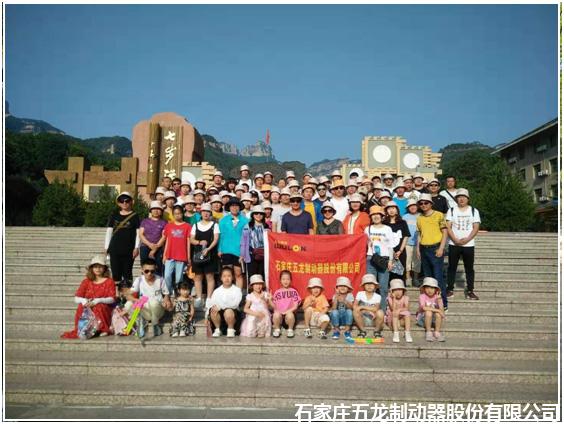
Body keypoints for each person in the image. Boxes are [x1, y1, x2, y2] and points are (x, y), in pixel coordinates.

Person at [61, 255, 116, 339]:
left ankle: (102, 329)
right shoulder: (86, 281)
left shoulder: (109, 281)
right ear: (92, 268)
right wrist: (85, 301)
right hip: (88, 303)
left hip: (104, 306)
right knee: (81, 306)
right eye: (95, 267)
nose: (98, 269)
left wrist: (97, 300)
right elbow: (76, 298)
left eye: (100, 267)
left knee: (99, 306)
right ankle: (85, 328)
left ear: (104, 268)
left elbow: (112, 299)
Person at [445, 188, 481, 300]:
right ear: (456, 199)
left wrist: (467, 239)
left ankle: (470, 290)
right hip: (453, 243)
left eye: (464, 197)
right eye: (459, 197)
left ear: (468, 199)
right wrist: (455, 239)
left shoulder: (474, 211)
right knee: (451, 267)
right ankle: (450, 289)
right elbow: (448, 226)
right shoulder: (451, 210)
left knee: (469, 268)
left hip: (469, 244)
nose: (461, 199)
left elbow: (476, 227)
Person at [416, 193, 448, 310]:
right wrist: (418, 249)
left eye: (426, 203)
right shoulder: (419, 218)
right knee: (428, 278)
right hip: (424, 248)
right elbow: (419, 234)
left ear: (431, 204)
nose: (423, 205)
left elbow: (445, 232)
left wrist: (441, 248)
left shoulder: (439, 215)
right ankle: (430, 303)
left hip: (435, 248)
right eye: (421, 203)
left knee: (438, 277)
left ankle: (443, 303)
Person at [124, 259, 172, 338]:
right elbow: (128, 295)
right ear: (142, 270)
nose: (149, 273)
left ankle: (155, 325)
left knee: (153, 303)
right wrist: (137, 300)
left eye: (152, 271)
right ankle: (140, 322)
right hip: (145, 310)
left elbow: (166, 295)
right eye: (146, 271)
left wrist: (167, 301)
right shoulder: (139, 280)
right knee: (128, 304)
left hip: (157, 311)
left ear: (155, 269)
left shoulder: (160, 280)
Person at [104, 191, 140, 285]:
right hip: (115, 248)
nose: (124, 203)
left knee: (127, 273)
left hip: (129, 249)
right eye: (122, 201)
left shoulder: (135, 216)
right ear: (118, 203)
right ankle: (117, 292)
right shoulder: (114, 215)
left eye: (127, 200)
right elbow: (109, 231)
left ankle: (127, 292)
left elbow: (138, 233)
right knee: (116, 273)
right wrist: (106, 247)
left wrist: (137, 247)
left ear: (131, 202)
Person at [190, 203, 220, 309]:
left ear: (210, 213)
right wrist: (199, 242)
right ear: (201, 213)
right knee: (198, 276)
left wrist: (208, 249)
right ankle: (199, 297)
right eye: (204, 212)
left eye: (208, 212)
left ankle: (209, 298)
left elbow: (216, 239)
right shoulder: (195, 225)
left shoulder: (214, 225)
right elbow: (191, 239)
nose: (206, 213)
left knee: (209, 276)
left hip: (210, 254)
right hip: (197, 254)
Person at [365, 205, 395, 311]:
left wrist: (390, 261)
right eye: (373, 215)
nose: (375, 216)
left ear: (382, 216)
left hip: (384, 259)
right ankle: (370, 310)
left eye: (378, 214)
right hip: (370, 258)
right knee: (370, 285)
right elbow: (365, 243)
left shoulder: (387, 229)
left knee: (383, 286)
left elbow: (391, 246)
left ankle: (382, 311)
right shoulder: (367, 229)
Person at [218, 198, 249, 289]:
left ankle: (238, 294)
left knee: (238, 274)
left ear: (239, 207)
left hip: (239, 250)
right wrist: (219, 249)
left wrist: (244, 252)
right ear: (229, 207)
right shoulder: (223, 220)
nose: (234, 208)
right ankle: (227, 292)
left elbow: (247, 238)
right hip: (226, 249)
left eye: (236, 206)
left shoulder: (245, 220)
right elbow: (220, 235)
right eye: (232, 206)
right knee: (227, 274)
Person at [163, 205, 192, 296]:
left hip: (181, 255)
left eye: (179, 213)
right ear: (172, 214)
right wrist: (164, 255)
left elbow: (188, 242)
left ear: (182, 214)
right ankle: (168, 292)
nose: (177, 215)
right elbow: (167, 240)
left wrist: (188, 257)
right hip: (170, 255)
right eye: (175, 214)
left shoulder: (187, 226)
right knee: (167, 275)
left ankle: (178, 293)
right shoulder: (169, 225)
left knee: (179, 278)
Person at [209, 267, 243, 338]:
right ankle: (218, 329)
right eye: (224, 276)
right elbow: (212, 303)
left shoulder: (237, 290)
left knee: (228, 311)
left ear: (232, 277)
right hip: (220, 313)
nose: (227, 278)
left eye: (229, 276)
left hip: (233, 314)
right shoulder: (217, 291)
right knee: (213, 309)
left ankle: (231, 329)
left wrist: (220, 307)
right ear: (221, 278)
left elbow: (235, 304)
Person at [384, 201, 411, 282]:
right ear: (386, 211)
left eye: (393, 208)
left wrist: (400, 251)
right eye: (389, 209)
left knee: (400, 273)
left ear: (397, 210)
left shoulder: (402, 222)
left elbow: (406, 236)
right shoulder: (384, 223)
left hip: (400, 251)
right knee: (389, 272)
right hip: (387, 252)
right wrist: (391, 251)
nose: (391, 210)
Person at [240, 205, 269, 278]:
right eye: (256, 213)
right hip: (251, 254)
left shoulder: (266, 226)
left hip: (264, 254)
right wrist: (242, 254)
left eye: (261, 213)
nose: (258, 215)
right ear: (253, 215)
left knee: (262, 275)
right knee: (252, 276)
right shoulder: (248, 226)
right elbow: (243, 241)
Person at [271, 270, 301, 338]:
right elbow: (274, 306)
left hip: (289, 317)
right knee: (276, 314)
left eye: (288, 279)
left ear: (291, 280)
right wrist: (270, 300)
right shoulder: (277, 292)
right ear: (280, 280)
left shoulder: (294, 291)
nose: (285, 281)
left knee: (290, 315)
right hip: (280, 317)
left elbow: (295, 306)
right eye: (283, 279)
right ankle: (277, 329)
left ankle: (290, 330)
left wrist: (286, 312)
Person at [139, 201, 167, 276]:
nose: (156, 211)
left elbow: (164, 236)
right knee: (145, 266)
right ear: (151, 211)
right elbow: (141, 234)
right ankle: (144, 281)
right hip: (145, 246)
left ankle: (157, 282)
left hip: (159, 248)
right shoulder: (145, 221)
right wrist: (149, 244)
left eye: (158, 209)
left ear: (161, 211)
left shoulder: (164, 222)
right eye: (154, 209)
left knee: (158, 267)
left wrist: (155, 248)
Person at [353, 274, 385, 338]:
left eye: (371, 284)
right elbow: (354, 306)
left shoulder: (377, 296)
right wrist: (366, 311)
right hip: (362, 319)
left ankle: (376, 331)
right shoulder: (360, 294)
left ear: (375, 286)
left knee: (380, 312)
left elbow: (376, 308)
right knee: (355, 311)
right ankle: (362, 331)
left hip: (373, 320)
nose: (369, 286)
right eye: (367, 284)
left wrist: (362, 307)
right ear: (364, 286)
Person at [417, 277, 446, 342]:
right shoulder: (422, 296)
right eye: (427, 288)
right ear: (424, 289)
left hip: (433, 320)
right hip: (423, 319)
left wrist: (439, 300)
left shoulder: (437, 297)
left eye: (432, 288)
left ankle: (437, 332)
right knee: (428, 312)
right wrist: (438, 310)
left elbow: (442, 311)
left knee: (438, 314)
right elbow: (424, 308)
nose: (429, 290)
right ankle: (428, 332)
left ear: (436, 290)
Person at [385, 279, 412, 343]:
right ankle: (396, 333)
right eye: (395, 290)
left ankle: (407, 333)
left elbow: (407, 308)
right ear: (392, 291)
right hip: (392, 319)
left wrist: (399, 310)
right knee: (394, 313)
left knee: (407, 314)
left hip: (401, 320)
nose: (398, 292)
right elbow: (393, 309)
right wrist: (394, 298)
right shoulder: (390, 298)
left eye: (400, 290)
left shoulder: (406, 297)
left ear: (403, 290)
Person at [402, 199, 421, 287]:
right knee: (407, 261)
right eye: (410, 206)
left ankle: (416, 278)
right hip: (407, 243)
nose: (412, 207)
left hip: (418, 243)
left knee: (417, 261)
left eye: (414, 205)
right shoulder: (405, 217)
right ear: (408, 208)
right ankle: (408, 278)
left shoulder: (421, 216)